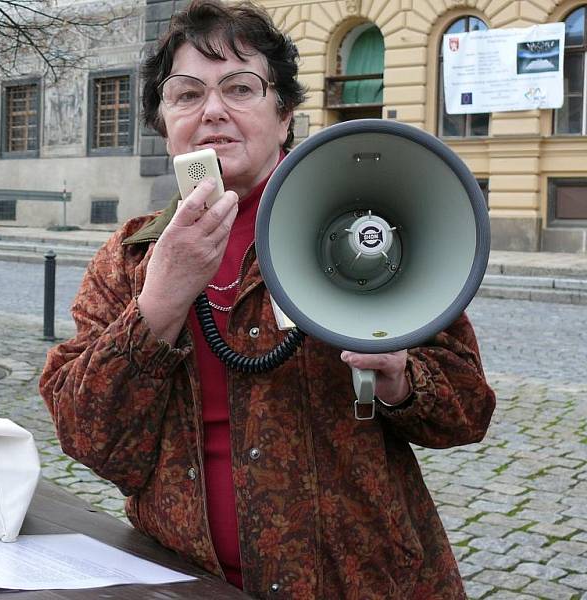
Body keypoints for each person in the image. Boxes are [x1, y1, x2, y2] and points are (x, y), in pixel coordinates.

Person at [40, 1, 495, 598]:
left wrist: (399, 381)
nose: (212, 112)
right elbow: (91, 440)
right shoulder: (130, 258)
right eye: (185, 94)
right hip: (190, 581)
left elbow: (467, 411)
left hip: (363, 581)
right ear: (163, 123)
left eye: (240, 88)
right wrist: (160, 302)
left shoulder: (363, 227)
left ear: (284, 116)